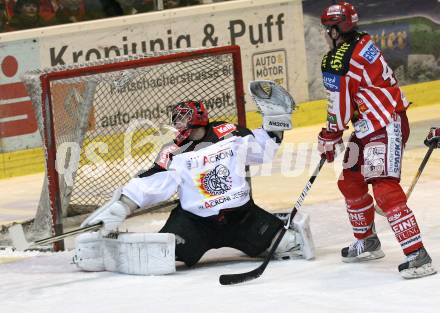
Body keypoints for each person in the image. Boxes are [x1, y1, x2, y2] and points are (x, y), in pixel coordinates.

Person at [76, 81, 314, 274]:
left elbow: (262, 149)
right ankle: (103, 249)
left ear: (197, 117)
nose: (178, 124)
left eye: (183, 118)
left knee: (288, 244)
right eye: (177, 120)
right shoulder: (174, 151)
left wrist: (275, 124)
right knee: (157, 256)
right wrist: (123, 205)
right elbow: (153, 182)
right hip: (194, 224)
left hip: (242, 218)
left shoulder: (229, 133)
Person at [317, 1, 436, 279]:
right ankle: (368, 241)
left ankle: (417, 255)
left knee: (383, 188)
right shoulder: (362, 40)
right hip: (370, 124)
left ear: (335, 31)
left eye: (326, 29)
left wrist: (329, 135)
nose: (325, 34)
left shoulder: (338, 60)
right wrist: (334, 132)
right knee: (350, 179)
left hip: (384, 124)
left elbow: (339, 106)